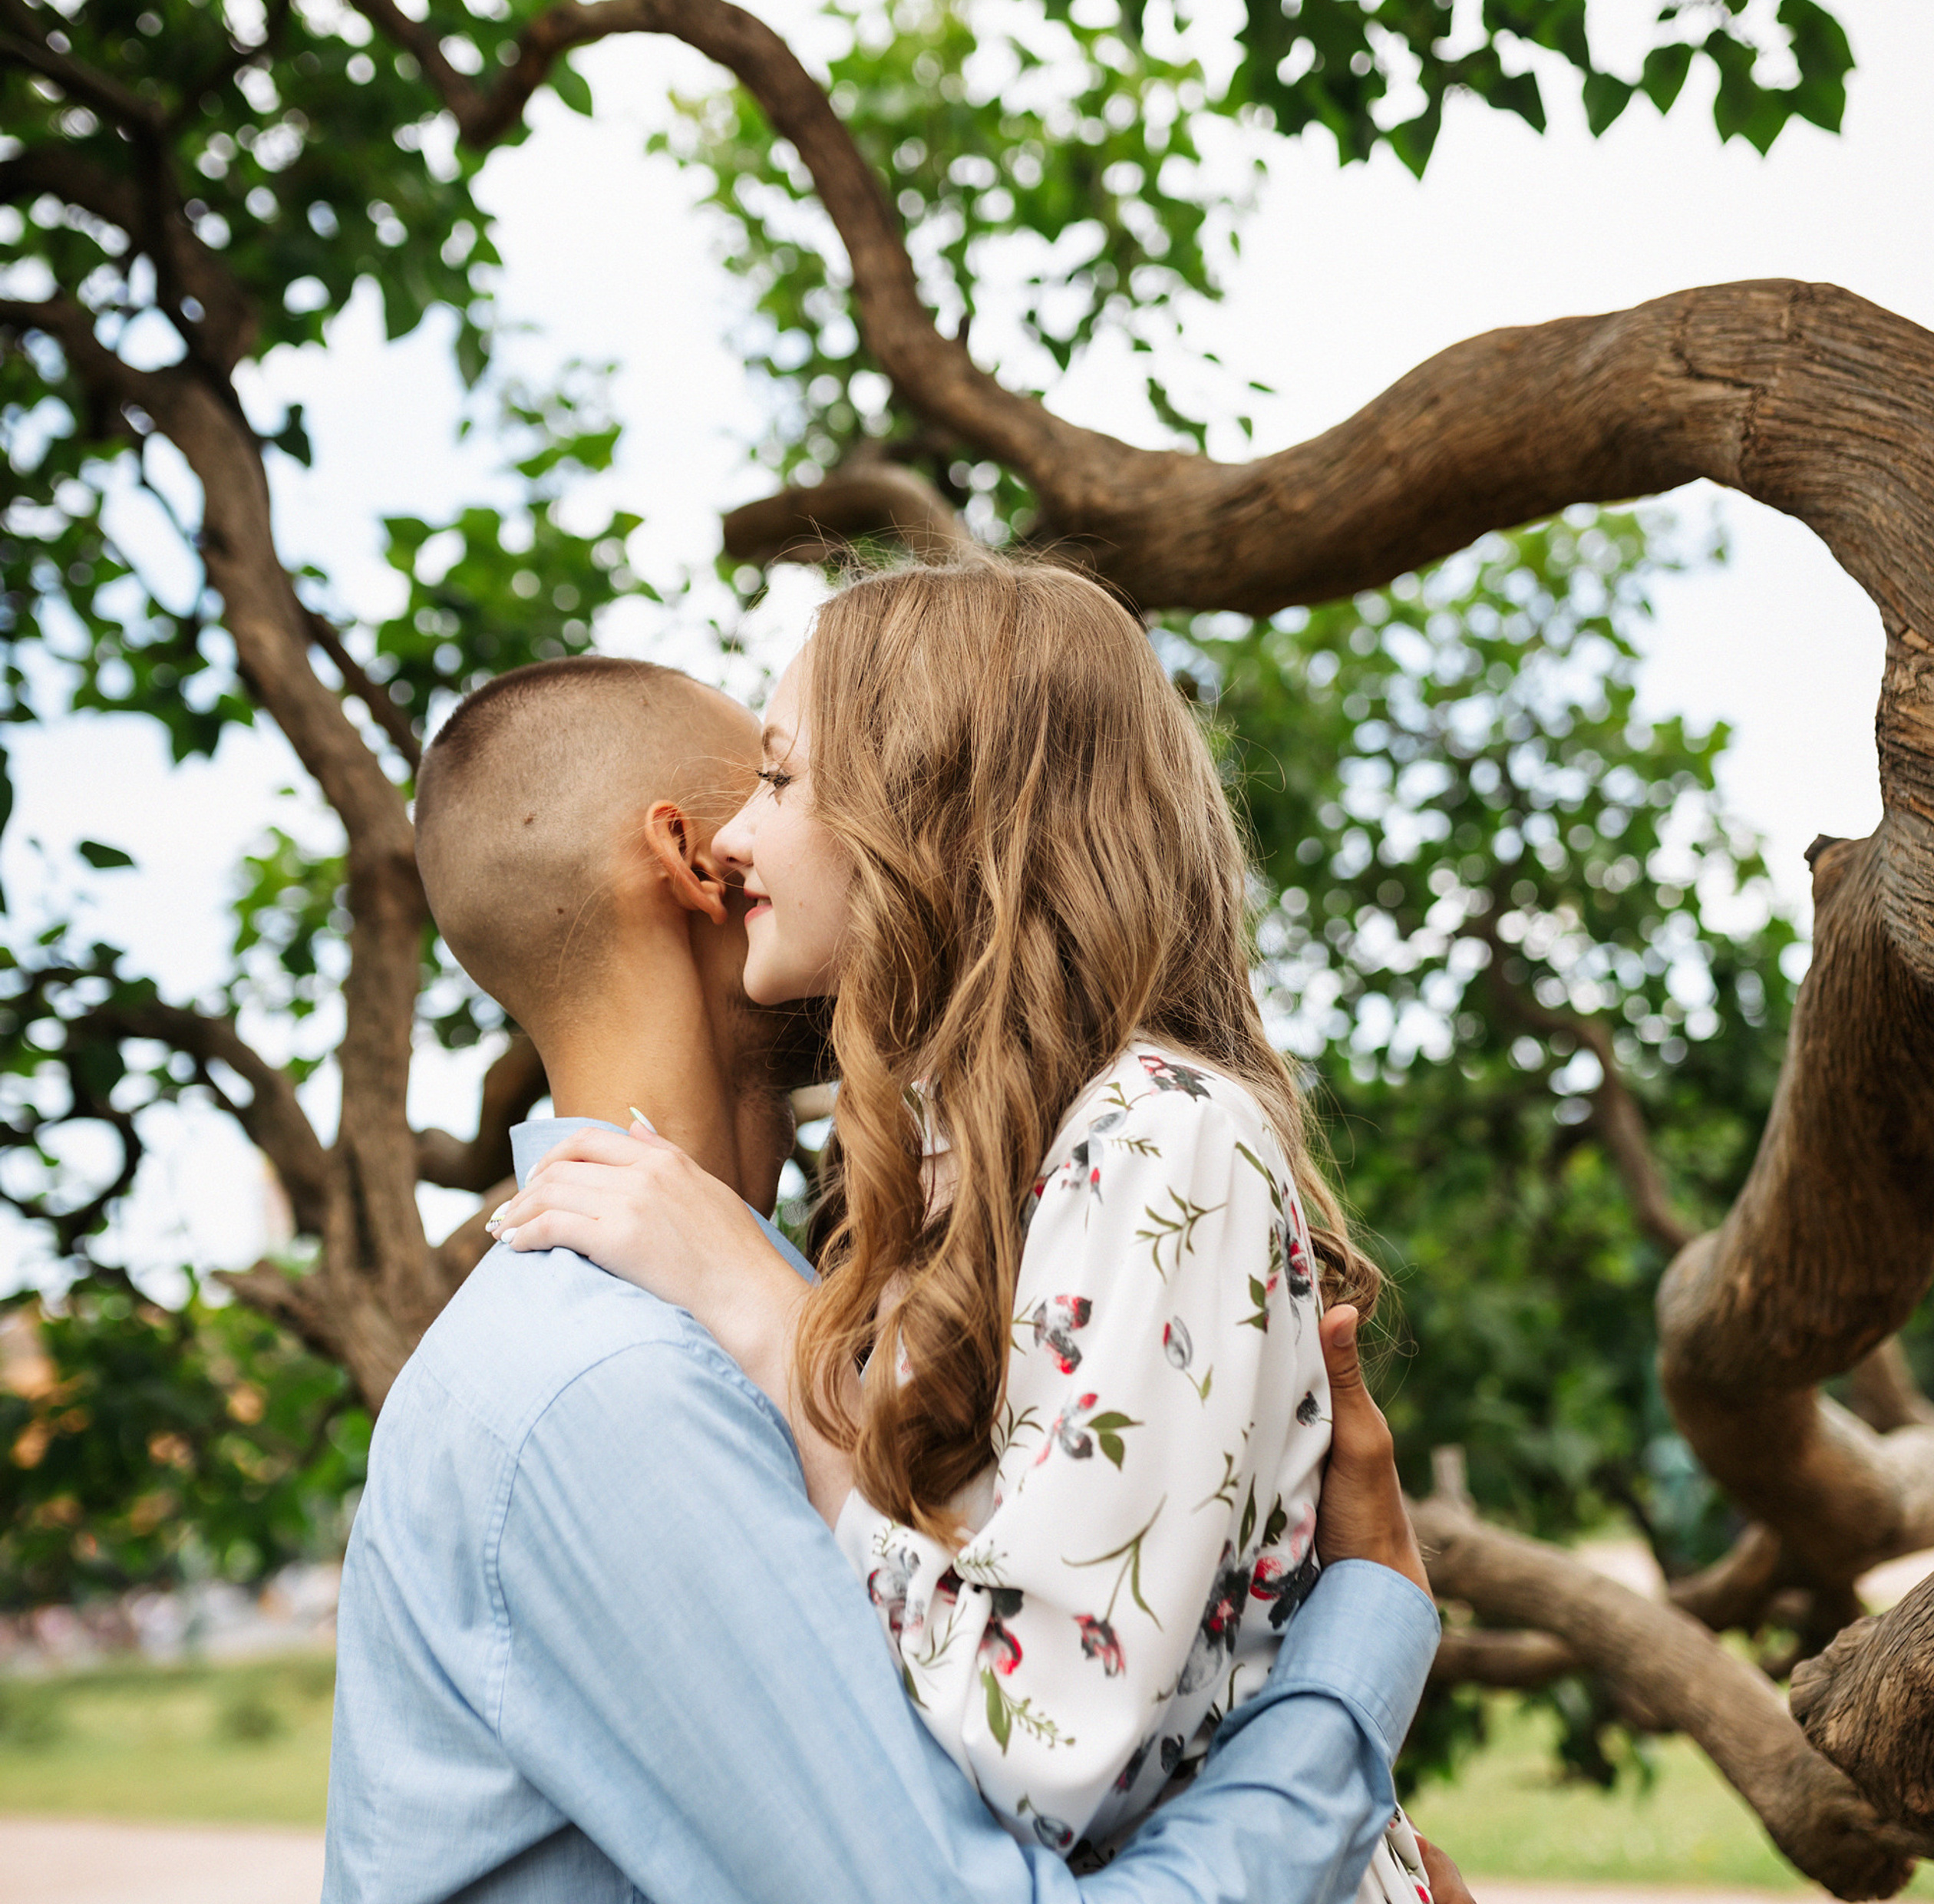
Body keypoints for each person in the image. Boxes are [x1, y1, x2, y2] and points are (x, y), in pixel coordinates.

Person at [325, 651, 1462, 1904]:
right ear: (699, 864)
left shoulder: (781, 1306)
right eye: (770, 782)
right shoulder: (619, 1381)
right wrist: (1359, 1663)